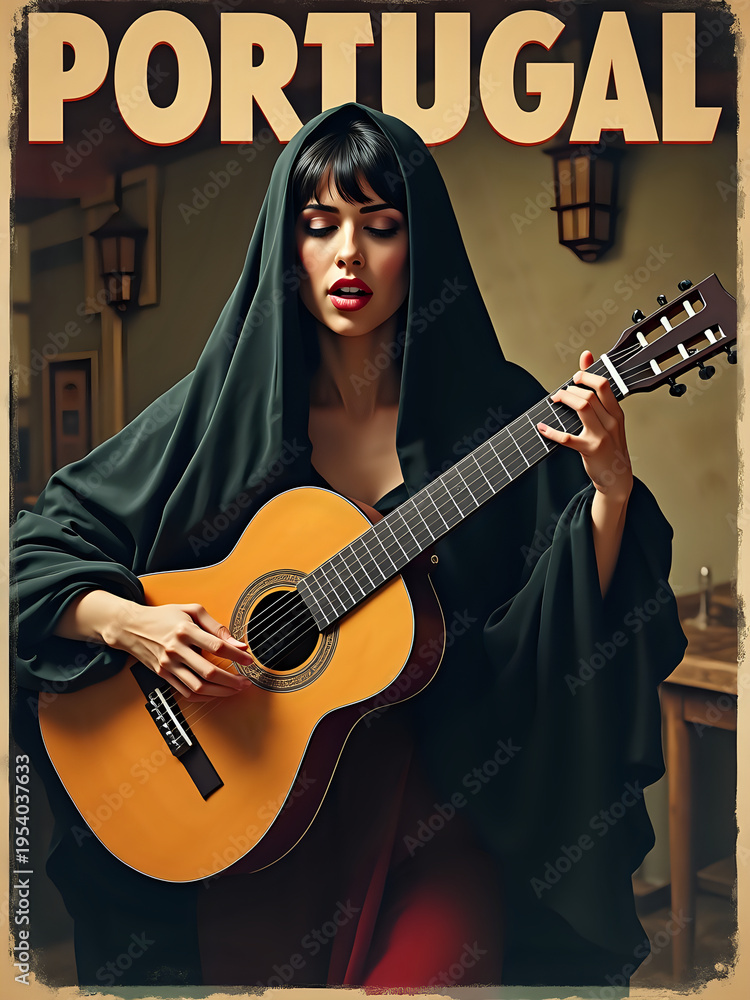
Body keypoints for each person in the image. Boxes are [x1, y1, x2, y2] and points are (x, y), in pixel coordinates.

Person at [11, 103, 687, 989]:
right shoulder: (217, 413)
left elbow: (568, 617)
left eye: (381, 226)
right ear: (285, 246)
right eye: (320, 225)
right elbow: (33, 552)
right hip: (249, 818)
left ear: (423, 243)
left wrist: (610, 491)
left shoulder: (499, 415)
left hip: (435, 818)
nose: (348, 257)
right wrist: (131, 624)